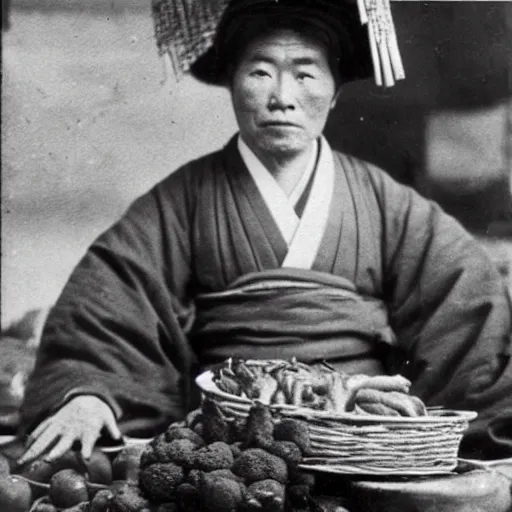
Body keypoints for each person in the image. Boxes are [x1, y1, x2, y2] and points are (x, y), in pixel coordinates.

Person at [19, 0, 511, 466]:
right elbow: (111, 300)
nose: (282, 98)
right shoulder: (184, 199)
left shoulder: (386, 202)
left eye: (305, 74)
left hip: (362, 437)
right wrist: (88, 392)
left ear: (336, 90)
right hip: (227, 439)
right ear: (232, 84)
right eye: (259, 72)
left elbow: (465, 303)